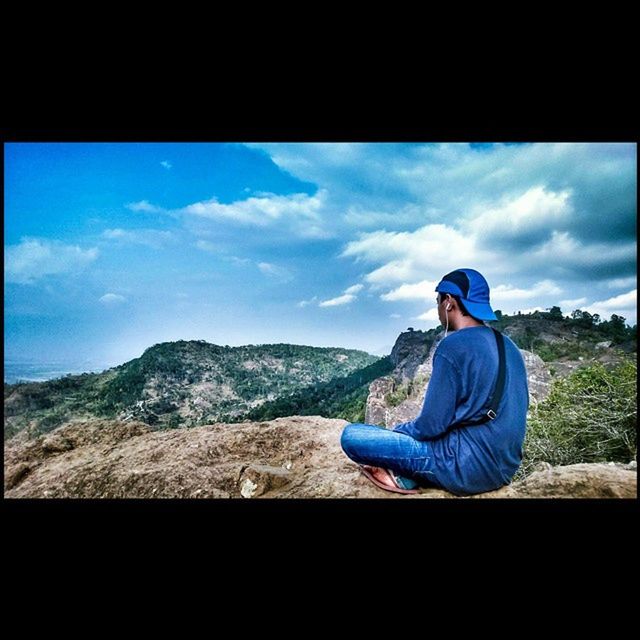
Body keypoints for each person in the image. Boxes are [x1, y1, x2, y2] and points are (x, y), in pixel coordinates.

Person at [340, 268, 529, 496]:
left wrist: (399, 431)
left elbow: (430, 425)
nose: (438, 309)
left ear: (449, 302)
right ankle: (408, 476)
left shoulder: (453, 345)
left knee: (352, 436)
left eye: (438, 301)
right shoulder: (508, 345)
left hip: (464, 467)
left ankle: (404, 476)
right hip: (503, 468)